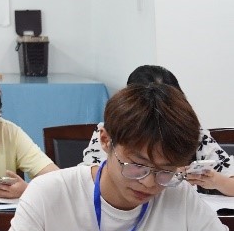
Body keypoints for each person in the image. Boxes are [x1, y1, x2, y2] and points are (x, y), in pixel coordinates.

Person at [0, 83, 234, 231]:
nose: (149, 183)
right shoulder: (51, 192)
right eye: (138, 165)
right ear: (106, 141)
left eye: (166, 171)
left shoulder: (180, 198)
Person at [82, 65, 233, 196]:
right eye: (138, 163)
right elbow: (91, 180)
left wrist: (215, 180)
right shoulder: (114, 131)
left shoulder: (192, 134)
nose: (149, 182)